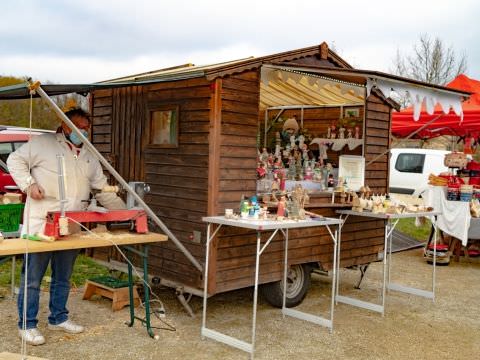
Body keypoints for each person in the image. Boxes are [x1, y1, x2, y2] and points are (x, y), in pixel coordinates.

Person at [7, 108, 125, 346]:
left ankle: (58, 317)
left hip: (71, 224)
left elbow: (101, 188)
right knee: (32, 278)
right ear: (65, 125)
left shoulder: (89, 154)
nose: (82, 131)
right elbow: (14, 159)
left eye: (86, 128)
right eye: (78, 126)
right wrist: (29, 185)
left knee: (63, 276)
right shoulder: (44, 143)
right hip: (41, 223)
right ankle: (27, 324)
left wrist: (126, 209)